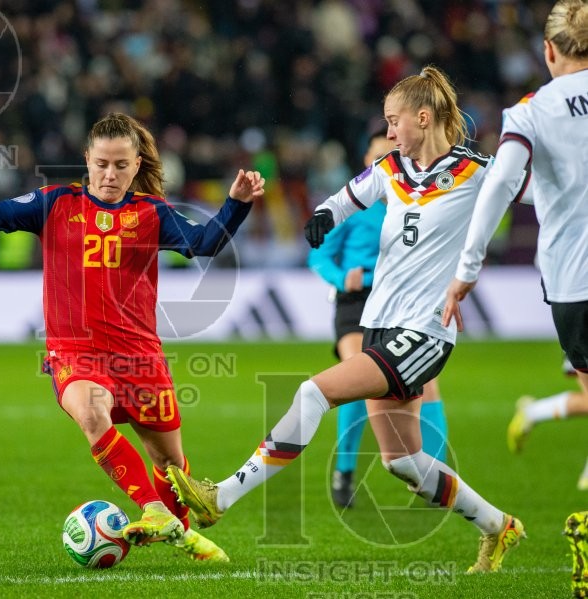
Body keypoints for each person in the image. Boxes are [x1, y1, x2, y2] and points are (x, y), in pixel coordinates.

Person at [167, 66, 525, 573]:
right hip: (379, 322)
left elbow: (541, 191)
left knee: (313, 392)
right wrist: (324, 217)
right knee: (404, 462)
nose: (390, 131)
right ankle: (499, 526)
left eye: (394, 120)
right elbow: (348, 196)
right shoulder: (392, 168)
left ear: (424, 118)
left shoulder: (477, 170)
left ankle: (221, 496)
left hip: (423, 331)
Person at [0, 113, 264, 561]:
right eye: (102, 164)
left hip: (139, 355)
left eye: (120, 165)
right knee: (92, 413)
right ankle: (153, 510)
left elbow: (205, 242)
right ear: (87, 160)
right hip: (74, 351)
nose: (110, 174)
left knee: (171, 466)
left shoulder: (151, 213)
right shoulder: (56, 203)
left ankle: (183, 530)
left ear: (136, 165)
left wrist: (235, 204)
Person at [443, 0, 588, 493]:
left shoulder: (531, 111)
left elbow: (502, 183)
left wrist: (467, 269)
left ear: (548, 50)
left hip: (574, 281)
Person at [308, 129, 449, 508]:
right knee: (358, 375)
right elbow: (318, 254)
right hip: (357, 303)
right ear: (366, 164)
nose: (385, 162)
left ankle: (437, 475)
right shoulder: (354, 205)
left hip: (404, 303)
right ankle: (344, 470)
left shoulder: (419, 201)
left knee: (427, 383)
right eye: (377, 158)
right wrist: (343, 278)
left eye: (392, 155)